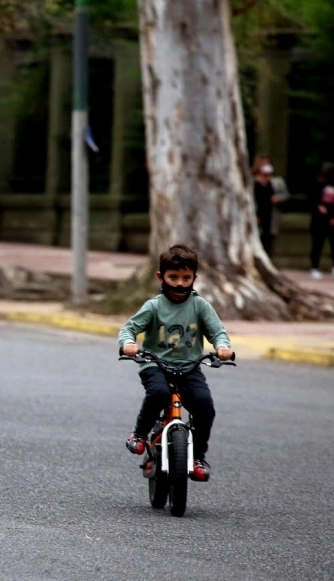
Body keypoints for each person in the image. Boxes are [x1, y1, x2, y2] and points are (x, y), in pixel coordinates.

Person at [118, 244, 232, 482]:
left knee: (204, 405)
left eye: (186, 277)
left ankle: (198, 457)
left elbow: (218, 332)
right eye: (173, 277)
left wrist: (222, 347)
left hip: (189, 367)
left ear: (194, 278)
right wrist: (129, 343)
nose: (180, 283)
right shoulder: (154, 306)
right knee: (158, 392)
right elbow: (129, 329)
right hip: (155, 364)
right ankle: (139, 434)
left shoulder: (200, 306)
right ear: (161, 276)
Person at [251, 156, 289, 256]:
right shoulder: (251, 181)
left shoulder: (277, 181)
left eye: (268, 163)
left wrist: (278, 198)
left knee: (268, 240)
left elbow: (285, 194)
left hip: (271, 215)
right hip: (256, 213)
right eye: (263, 163)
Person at [309, 162, 334, 280]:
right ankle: (314, 268)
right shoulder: (317, 184)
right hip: (319, 220)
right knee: (317, 244)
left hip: (332, 219)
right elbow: (312, 199)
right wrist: (318, 206)